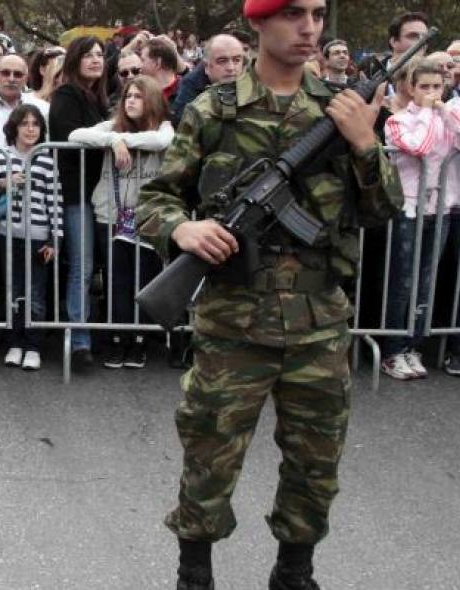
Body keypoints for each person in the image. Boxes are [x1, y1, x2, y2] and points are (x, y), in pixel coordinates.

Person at [135, 0, 403, 586]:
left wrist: (365, 144)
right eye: (292, 14)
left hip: (319, 321)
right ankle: (194, 574)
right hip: (233, 320)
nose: (309, 28)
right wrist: (182, 228)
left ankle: (294, 572)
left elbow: (384, 209)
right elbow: (155, 198)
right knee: (210, 456)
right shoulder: (212, 109)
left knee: (315, 463)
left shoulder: (341, 110)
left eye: (317, 13)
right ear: (257, 20)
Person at [70, 75, 173, 370]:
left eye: (138, 96)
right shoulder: (112, 128)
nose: (130, 101)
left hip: (147, 217)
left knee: (144, 279)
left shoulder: (163, 127)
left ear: (151, 100)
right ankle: (117, 339)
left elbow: (162, 141)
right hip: (111, 216)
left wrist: (123, 141)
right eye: (128, 96)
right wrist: (113, 139)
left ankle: (139, 341)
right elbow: (76, 135)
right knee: (117, 282)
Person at [381, 59, 460, 380]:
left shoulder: (447, 117)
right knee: (402, 283)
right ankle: (393, 350)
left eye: (436, 87)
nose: (431, 93)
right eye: (424, 87)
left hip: (440, 209)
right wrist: (428, 111)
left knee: (426, 282)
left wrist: (444, 112)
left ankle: (413, 345)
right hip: (408, 210)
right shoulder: (398, 121)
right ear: (410, 89)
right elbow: (421, 147)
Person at [0, 104, 60, 370]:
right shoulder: (0, 157)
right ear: (13, 128)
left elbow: (55, 201)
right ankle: (14, 343)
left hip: (38, 236)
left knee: (36, 293)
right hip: (7, 235)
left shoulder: (48, 159)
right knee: (12, 292)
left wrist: (54, 239)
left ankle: (34, 345)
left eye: (36, 124)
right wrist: (3, 183)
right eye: (25, 123)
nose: (30, 129)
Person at [49, 36, 108, 372]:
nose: (96, 60)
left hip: (103, 194)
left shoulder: (98, 97)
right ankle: (79, 341)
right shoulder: (66, 94)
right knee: (81, 268)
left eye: (100, 54)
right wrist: (113, 136)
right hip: (77, 194)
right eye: (88, 55)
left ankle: (107, 334)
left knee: (100, 266)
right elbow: (68, 135)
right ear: (74, 61)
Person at [170, 34, 247, 125]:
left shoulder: (253, 83)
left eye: (236, 60)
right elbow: (182, 120)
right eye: (222, 61)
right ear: (207, 67)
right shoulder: (191, 83)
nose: (231, 68)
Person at [140, 37, 182, 104]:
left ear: (157, 63)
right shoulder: (141, 94)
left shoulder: (185, 93)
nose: (140, 66)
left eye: (143, 60)